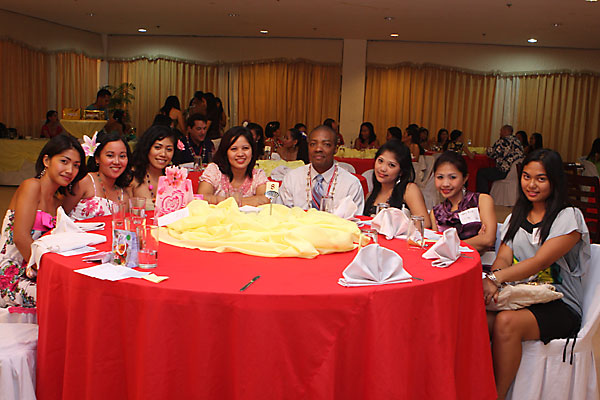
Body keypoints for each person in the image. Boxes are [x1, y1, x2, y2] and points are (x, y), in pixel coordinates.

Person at [484, 148, 589, 399]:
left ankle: (496, 395)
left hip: (561, 304)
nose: (531, 185)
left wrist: (495, 279)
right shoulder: (516, 216)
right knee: (477, 317)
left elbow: (540, 261)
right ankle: (474, 386)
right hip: (520, 296)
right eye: (527, 177)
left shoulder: (569, 217)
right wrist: (496, 283)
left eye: (541, 179)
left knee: (506, 322)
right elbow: (503, 258)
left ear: (555, 181)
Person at [0, 134, 86, 307]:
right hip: (11, 273)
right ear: (46, 160)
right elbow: (20, 238)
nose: (70, 170)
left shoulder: (58, 201)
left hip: (35, 271)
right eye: (64, 161)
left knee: (78, 293)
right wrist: (49, 273)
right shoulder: (31, 186)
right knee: (63, 300)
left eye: (76, 165)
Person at [278, 125, 364, 213]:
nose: (318, 149)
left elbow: (354, 219)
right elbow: (281, 215)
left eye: (326, 144)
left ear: (336, 149)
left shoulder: (351, 184)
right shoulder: (292, 178)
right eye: (313, 144)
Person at [430, 151, 496, 254]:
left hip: (480, 261)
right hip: (447, 262)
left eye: (453, 177)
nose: (445, 184)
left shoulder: (481, 200)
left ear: (465, 178)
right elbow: (436, 247)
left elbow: (488, 239)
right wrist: (477, 241)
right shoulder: (436, 213)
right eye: (440, 177)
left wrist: (449, 245)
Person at [64, 131, 132, 220]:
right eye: (110, 155)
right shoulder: (86, 181)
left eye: (122, 156)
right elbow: (61, 214)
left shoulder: (124, 195)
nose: (116, 161)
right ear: (97, 158)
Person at [364, 140, 431, 227]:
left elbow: (425, 224)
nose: (383, 168)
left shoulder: (409, 190)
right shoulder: (370, 196)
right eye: (380, 161)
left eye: (391, 165)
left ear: (401, 171)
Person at [198, 126, 269, 206]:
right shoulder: (214, 170)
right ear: (225, 152)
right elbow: (202, 197)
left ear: (252, 151)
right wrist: (237, 202)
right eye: (234, 149)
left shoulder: (257, 175)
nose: (240, 154)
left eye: (245, 148)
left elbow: (265, 199)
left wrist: (228, 202)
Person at [130, 125, 177, 207]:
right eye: (157, 147)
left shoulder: (174, 177)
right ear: (147, 148)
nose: (163, 154)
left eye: (169, 149)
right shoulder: (132, 176)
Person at [476, 125, 524, 194]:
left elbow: (491, 154)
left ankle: (483, 196)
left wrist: (486, 150)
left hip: (504, 171)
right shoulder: (517, 142)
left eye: (501, 131)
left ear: (505, 131)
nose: (500, 133)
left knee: (481, 173)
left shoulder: (503, 141)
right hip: (515, 172)